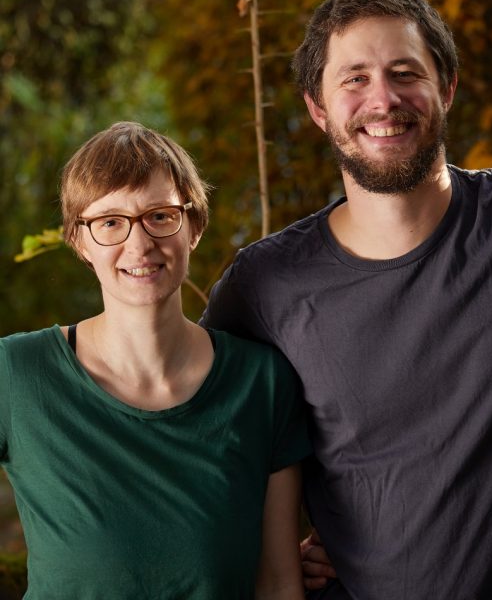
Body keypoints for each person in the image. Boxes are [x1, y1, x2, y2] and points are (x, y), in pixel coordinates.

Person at [201, 0, 492, 600]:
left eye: (405, 72)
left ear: (447, 88)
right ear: (318, 108)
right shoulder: (266, 284)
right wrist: (262, 547)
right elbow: (196, 440)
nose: (383, 100)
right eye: (354, 79)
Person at [0, 122, 311, 599]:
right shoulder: (19, 373)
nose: (139, 244)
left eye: (160, 215)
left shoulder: (261, 382)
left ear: (195, 227)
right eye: (109, 222)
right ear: (80, 242)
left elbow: (278, 584)